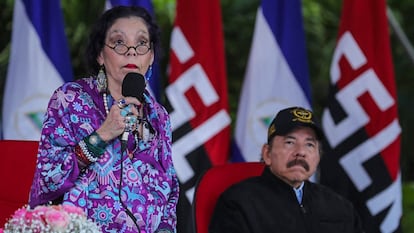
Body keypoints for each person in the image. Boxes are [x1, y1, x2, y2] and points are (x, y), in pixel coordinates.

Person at [29, 6, 179, 233]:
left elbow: (170, 192)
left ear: (151, 57)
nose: (131, 52)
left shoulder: (159, 117)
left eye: (141, 43)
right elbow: (47, 180)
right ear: (100, 54)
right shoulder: (70, 100)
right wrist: (103, 135)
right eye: (119, 42)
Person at [209, 106, 363, 233]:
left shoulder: (341, 207)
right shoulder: (238, 203)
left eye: (309, 144)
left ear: (318, 157)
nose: (300, 151)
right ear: (267, 154)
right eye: (289, 142)